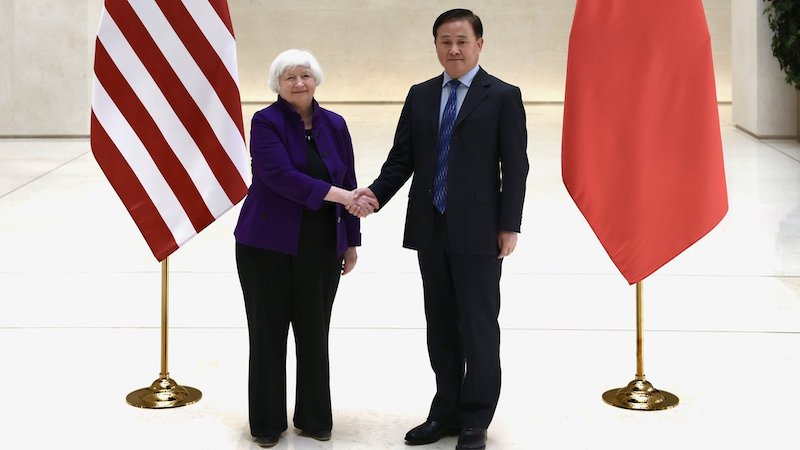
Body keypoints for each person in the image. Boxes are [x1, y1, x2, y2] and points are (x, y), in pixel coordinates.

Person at [353, 9, 528, 450]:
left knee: (478, 326)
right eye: (445, 41)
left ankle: (475, 417)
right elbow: (402, 159)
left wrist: (509, 225)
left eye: (462, 41)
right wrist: (373, 196)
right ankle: (446, 408)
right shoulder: (421, 95)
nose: (453, 49)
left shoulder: (502, 96)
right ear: (435, 46)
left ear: (479, 45)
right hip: (431, 227)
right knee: (441, 326)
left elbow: (516, 167)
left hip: (480, 231)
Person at [234, 49, 374, 448]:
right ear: (277, 84)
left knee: (314, 332)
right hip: (265, 245)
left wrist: (350, 241)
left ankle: (314, 418)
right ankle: (266, 423)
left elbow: (348, 176)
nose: (299, 83)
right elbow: (281, 177)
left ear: (317, 80)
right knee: (268, 333)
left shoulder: (335, 124)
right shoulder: (265, 122)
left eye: (305, 76)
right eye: (289, 77)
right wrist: (345, 197)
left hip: (321, 247)